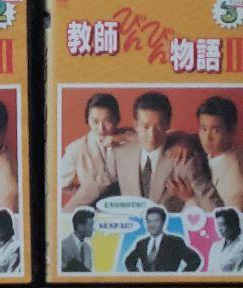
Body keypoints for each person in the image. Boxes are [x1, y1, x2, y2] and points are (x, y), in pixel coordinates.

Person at [76, 91, 219, 213]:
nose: (152, 135)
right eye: (145, 127)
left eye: (158, 127)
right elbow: (95, 185)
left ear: (168, 124)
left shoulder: (183, 159)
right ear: (135, 125)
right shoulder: (120, 154)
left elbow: (208, 198)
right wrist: (67, 213)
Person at [59, 92, 126, 210]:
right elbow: (58, 182)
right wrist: (82, 192)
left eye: (107, 121)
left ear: (117, 119)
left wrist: (120, 138)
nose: (101, 128)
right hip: (90, 208)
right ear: (87, 120)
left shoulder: (128, 139)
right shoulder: (76, 148)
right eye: (95, 121)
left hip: (123, 207)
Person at [195, 95, 243, 209]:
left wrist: (189, 199)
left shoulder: (234, 180)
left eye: (216, 130)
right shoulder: (211, 152)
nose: (207, 138)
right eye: (204, 129)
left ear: (231, 131)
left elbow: (229, 219)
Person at [124, 205, 201, 272]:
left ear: (163, 222)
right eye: (149, 221)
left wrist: (181, 278)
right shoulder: (141, 243)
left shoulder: (175, 242)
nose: (152, 225)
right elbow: (129, 261)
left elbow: (195, 260)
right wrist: (138, 276)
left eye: (156, 221)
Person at [61, 208, 96, 273]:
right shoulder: (63, 246)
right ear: (80, 227)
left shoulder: (87, 248)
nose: (92, 229)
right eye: (90, 225)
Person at [209, 208, 243, 273]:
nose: (219, 229)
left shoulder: (240, 246)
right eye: (218, 226)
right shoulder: (216, 246)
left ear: (233, 225)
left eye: (222, 225)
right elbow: (210, 269)